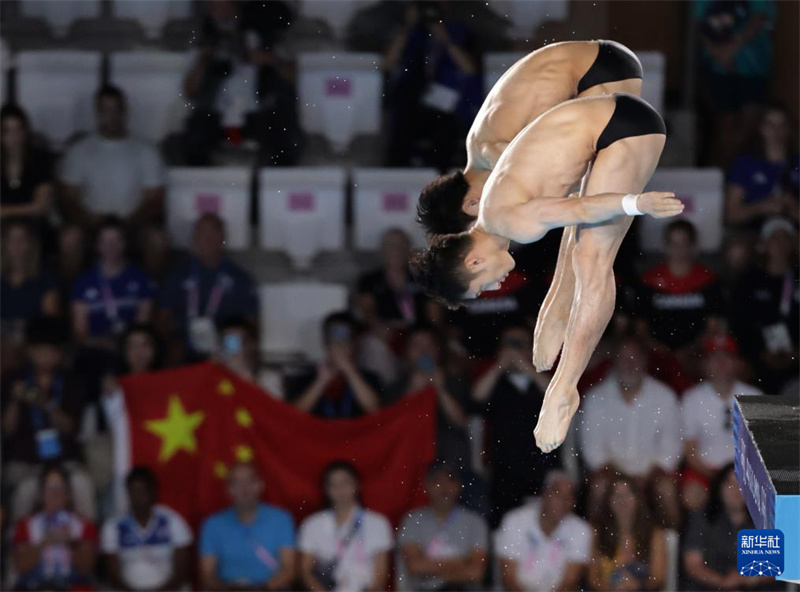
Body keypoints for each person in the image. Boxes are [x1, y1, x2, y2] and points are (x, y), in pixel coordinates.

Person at [411, 93, 681, 453]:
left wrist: (635, 203)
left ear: (473, 262)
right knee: (578, 233)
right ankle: (555, 309)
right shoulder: (493, 210)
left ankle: (563, 388)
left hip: (627, 128)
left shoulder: (511, 221)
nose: (496, 285)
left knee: (593, 257)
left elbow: (585, 209)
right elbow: (569, 210)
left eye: (482, 287)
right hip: (608, 125)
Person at [415, 39, 643, 235]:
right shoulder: (480, 149)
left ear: (471, 203)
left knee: (594, 217)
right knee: (588, 202)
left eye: (483, 220)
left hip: (600, 68)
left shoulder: (490, 152)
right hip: (601, 63)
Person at [578, 333, 682, 528]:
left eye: (635, 358)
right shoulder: (595, 399)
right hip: (610, 476)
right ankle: (593, 551)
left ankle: (672, 550)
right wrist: (625, 481)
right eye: (624, 358)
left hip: (652, 477)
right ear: (614, 361)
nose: (630, 363)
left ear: (645, 361)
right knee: (599, 487)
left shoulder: (665, 397)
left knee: (667, 489)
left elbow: (670, 451)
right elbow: (593, 454)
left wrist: (644, 480)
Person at [182, 0, 300, 166]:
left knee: (283, 131)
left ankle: (276, 186)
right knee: (195, 133)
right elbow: (189, 92)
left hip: (255, 116)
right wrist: (203, 59)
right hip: (217, 117)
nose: (223, 13)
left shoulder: (263, 36)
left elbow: (292, 76)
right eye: (216, 8)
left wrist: (267, 59)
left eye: (226, 6)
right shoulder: (203, 42)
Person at [1, 317, 96, 522]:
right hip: (25, 461)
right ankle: (19, 547)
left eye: (50, 351)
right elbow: (6, 431)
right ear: (29, 351)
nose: (44, 356)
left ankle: (89, 545)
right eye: (39, 350)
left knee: (82, 485)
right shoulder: (13, 379)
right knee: (25, 492)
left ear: (60, 354)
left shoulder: (72, 381)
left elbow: (71, 428)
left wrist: (47, 403)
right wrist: (15, 402)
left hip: (65, 459)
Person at [471, 324, 561, 525]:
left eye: (520, 344)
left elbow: (558, 396)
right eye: (509, 344)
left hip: (543, 470)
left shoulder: (541, 381)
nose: (514, 349)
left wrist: (526, 366)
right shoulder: (495, 382)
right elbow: (476, 399)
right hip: (505, 472)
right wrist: (500, 365)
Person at [382, 1, 482, 169]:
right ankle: (398, 177)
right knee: (402, 123)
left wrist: (445, 40)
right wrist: (407, 28)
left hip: (450, 104)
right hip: (411, 101)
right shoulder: (408, 33)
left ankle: (443, 182)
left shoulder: (460, 31)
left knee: (445, 127)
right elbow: (387, 64)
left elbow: (470, 68)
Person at [60, 85, 165, 228]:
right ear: (97, 113)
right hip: (90, 224)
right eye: (105, 110)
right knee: (70, 239)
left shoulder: (146, 151)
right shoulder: (78, 151)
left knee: (156, 240)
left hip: (134, 225)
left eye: (116, 109)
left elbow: (155, 199)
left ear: (124, 111)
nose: (111, 116)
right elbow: (69, 198)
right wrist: (91, 221)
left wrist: (130, 223)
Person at [158, 213, 259, 361]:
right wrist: (170, 342)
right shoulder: (178, 274)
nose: (208, 239)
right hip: (185, 348)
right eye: (202, 234)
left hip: (224, 348)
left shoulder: (240, 278)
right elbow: (162, 317)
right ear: (194, 239)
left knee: (236, 343)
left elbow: (252, 325)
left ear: (222, 238)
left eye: (213, 233)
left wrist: (231, 346)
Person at [681, 335, 762, 512]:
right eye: (715, 358)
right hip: (705, 471)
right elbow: (689, 450)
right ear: (705, 365)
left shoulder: (754, 396)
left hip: (745, 474)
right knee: (691, 495)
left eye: (727, 358)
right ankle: (697, 538)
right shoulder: (692, 399)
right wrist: (715, 475)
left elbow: (761, 449)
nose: (721, 364)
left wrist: (737, 477)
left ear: (738, 364)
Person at [694, 0, 777, 166]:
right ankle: (725, 176)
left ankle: (738, 175)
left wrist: (731, 50)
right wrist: (717, 53)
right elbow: (697, 22)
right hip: (716, 67)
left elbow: (760, 16)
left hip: (753, 65)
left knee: (750, 126)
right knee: (723, 126)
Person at [200, 462, 296, 591]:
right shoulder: (212, 524)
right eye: (237, 483)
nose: (244, 488)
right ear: (228, 489)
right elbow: (207, 574)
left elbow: (289, 569)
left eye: (250, 481)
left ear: (261, 485)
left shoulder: (281, 519)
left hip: (268, 588)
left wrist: (263, 588)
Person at [298, 462, 393, 591]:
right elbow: (305, 571)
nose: (340, 489)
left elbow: (381, 573)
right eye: (333, 485)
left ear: (357, 485)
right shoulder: (312, 524)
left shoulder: (377, 523)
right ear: (326, 489)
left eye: (345, 483)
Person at [388, 324, 472, 469]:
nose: (423, 351)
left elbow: (462, 422)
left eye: (429, 345)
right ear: (406, 352)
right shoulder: (395, 387)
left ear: (438, 351)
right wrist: (412, 391)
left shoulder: (455, 382)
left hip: (450, 464)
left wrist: (440, 389)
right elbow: (391, 427)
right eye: (416, 345)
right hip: (409, 461)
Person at [730, 217, 799, 392]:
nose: (780, 243)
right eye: (775, 237)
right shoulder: (748, 281)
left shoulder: (797, 278)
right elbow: (738, 323)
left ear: (792, 244)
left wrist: (797, 353)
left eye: (785, 237)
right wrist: (759, 353)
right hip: (757, 362)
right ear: (764, 244)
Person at [635, 220, 725, 354]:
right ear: (666, 245)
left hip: (696, 354)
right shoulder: (648, 280)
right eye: (673, 243)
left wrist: (691, 350)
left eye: (684, 243)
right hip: (656, 353)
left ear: (693, 246)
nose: (678, 249)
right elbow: (640, 327)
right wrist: (655, 347)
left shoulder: (708, 280)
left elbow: (713, 327)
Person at [397, 461, 488, 592]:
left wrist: (432, 568)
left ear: (459, 486)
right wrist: (461, 562)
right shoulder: (412, 521)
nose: (444, 487)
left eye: (450, 480)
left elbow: (476, 572)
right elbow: (415, 566)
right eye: (437, 481)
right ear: (426, 486)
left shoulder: (475, 522)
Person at [495, 470, 591, 592]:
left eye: (569, 496)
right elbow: (508, 577)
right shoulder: (515, 521)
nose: (564, 501)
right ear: (544, 494)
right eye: (558, 494)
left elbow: (570, 581)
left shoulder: (581, 530)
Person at [682, 464, 772, 590]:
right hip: (709, 587)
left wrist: (744, 579)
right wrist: (723, 582)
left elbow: (771, 569)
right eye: (729, 484)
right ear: (719, 487)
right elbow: (693, 565)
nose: (735, 489)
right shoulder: (702, 518)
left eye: (741, 484)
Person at [102, 467, 193, 591]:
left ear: (153, 491)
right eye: (133, 491)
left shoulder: (173, 522)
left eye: (142, 491)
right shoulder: (114, 527)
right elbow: (113, 576)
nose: (138, 497)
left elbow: (181, 574)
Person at [71, 217, 155, 350]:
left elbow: (143, 324)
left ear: (125, 243)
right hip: (95, 350)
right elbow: (80, 331)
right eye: (105, 241)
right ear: (97, 245)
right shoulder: (83, 282)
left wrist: (125, 347)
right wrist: (104, 345)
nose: (111, 246)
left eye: (117, 240)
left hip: (132, 351)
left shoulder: (140, 278)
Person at [11, 464, 98, 591]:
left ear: (68, 494)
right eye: (50, 488)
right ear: (41, 494)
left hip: (72, 586)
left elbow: (86, 566)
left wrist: (70, 542)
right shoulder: (26, 525)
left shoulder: (84, 525)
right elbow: (22, 566)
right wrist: (45, 541)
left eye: (60, 488)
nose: (56, 493)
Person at [286, 312, 383, 419]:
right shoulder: (306, 379)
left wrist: (350, 371)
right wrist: (321, 381)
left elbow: (376, 411)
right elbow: (292, 417)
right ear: (325, 343)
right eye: (333, 341)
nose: (339, 347)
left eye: (345, 341)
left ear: (355, 344)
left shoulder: (370, 378)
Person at [588, 474, 667, 591]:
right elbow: (593, 580)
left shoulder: (655, 534)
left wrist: (637, 586)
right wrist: (611, 589)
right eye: (617, 495)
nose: (622, 500)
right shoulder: (598, 533)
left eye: (627, 494)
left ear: (638, 499)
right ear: (608, 501)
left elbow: (658, 579)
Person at [726, 104, 799, 230]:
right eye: (770, 125)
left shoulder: (797, 162)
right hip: (754, 233)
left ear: (789, 129)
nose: (776, 130)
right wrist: (763, 206)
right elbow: (731, 214)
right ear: (761, 128)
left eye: (782, 125)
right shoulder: (745, 163)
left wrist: (791, 207)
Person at [0, 222, 60, 341]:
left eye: (21, 239)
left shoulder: (45, 278)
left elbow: (49, 321)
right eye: (11, 240)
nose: (16, 245)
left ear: (31, 244)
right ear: (4, 244)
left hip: (33, 342)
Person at [0, 104, 55, 234]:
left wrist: (4, 211)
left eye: (18, 130)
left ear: (25, 132)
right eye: (7, 131)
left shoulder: (39, 160)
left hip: (34, 229)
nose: (14, 137)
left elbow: (41, 207)